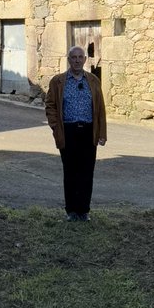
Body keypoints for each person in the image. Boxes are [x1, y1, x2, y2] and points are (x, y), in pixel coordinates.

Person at [44, 46, 107, 221]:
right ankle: (71, 211)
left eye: (80, 57)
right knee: (70, 171)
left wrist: (101, 132)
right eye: (74, 57)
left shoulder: (93, 80)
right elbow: (50, 106)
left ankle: (84, 211)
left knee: (87, 171)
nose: (77, 60)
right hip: (68, 131)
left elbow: (100, 108)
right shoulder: (58, 81)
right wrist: (56, 127)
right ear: (69, 59)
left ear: (85, 59)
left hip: (88, 131)